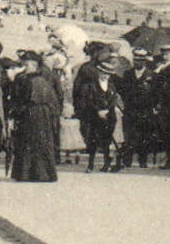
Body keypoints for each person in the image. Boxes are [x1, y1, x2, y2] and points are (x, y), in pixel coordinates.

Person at [6, 51, 59, 182]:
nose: (25, 66)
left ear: (34, 65)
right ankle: (43, 174)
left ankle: (26, 174)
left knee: (29, 142)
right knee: (41, 142)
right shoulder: (43, 80)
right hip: (43, 114)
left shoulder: (25, 80)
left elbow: (19, 98)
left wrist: (15, 112)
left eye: (27, 64)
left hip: (30, 113)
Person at [72, 51, 122, 172]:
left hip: (108, 116)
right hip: (94, 116)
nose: (105, 76)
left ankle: (106, 163)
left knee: (106, 140)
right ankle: (90, 164)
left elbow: (113, 99)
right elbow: (87, 100)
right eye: (103, 73)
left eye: (108, 74)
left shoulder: (110, 86)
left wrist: (108, 110)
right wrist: (97, 110)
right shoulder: (91, 85)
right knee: (92, 140)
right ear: (99, 72)